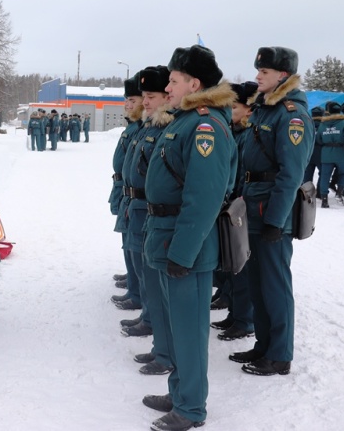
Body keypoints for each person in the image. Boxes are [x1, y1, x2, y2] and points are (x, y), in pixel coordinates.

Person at [142, 45, 237, 431]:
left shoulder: (205, 126)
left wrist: (182, 252)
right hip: (169, 239)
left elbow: (203, 199)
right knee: (177, 327)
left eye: (174, 80)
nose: (168, 86)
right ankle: (180, 391)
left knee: (189, 331)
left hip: (187, 247)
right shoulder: (184, 120)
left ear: (194, 83)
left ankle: (191, 408)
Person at [230, 46, 314, 377]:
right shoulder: (265, 109)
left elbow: (290, 175)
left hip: (272, 212)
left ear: (282, 75)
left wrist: (276, 222)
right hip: (253, 207)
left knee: (275, 285)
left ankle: (280, 354)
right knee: (257, 283)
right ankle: (263, 345)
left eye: (263, 72)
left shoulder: (291, 115)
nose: (257, 77)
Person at [121, 65, 174, 377]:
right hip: (142, 206)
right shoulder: (151, 127)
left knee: (157, 283)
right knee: (147, 275)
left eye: (150, 96)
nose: (144, 101)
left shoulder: (171, 128)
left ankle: (164, 349)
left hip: (157, 213)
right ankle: (161, 347)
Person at [211, 81, 258, 342]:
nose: (230, 110)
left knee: (243, 269)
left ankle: (244, 320)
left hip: (242, 207)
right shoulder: (236, 132)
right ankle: (235, 313)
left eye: (235, 106)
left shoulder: (249, 135)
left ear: (249, 110)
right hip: (232, 206)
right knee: (232, 268)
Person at [109, 77, 143, 307]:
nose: (127, 105)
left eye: (132, 100)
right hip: (124, 188)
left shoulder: (142, 127)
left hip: (135, 192)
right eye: (126, 100)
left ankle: (137, 290)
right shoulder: (133, 126)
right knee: (127, 239)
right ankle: (133, 282)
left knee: (134, 243)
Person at [316, 101, 344, 207]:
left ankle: (324, 200)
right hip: (341, 152)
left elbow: (318, 139)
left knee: (325, 176)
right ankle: (339, 192)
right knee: (343, 173)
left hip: (326, 153)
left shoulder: (323, 123)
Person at [303, 106, 323, 185]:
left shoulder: (307, 123)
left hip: (308, 151)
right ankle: (319, 192)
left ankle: (306, 191)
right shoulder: (324, 125)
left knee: (307, 174)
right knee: (323, 173)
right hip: (321, 152)